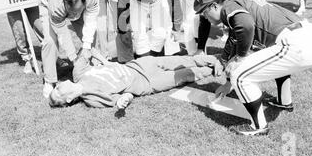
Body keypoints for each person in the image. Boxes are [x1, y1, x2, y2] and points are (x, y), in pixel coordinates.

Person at [193, 0, 312, 136]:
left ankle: (258, 126)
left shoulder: (229, 7)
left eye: (204, 11)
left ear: (215, 5)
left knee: (240, 76)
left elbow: (246, 26)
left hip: (298, 44)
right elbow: (235, 37)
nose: (204, 17)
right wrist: (224, 64)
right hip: (311, 36)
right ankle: (284, 101)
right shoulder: (236, 5)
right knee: (273, 60)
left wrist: (239, 58)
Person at [48, 50, 222, 108]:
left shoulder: (78, 73)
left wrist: (104, 61)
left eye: (55, 87)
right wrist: (124, 100)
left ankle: (215, 59)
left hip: (137, 65)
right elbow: (121, 98)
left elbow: (87, 50)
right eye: (57, 91)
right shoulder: (92, 99)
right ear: (69, 99)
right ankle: (214, 68)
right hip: (147, 83)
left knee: (180, 60)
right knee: (185, 75)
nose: (58, 86)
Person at [39, 0, 99, 98]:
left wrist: (86, 46)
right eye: (70, 11)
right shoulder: (56, 6)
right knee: (50, 41)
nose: (73, 16)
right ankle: (49, 81)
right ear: (64, 3)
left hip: (77, 4)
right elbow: (63, 34)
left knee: (90, 37)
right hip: (47, 4)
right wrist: (73, 57)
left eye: (77, 11)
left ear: (84, 2)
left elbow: (90, 23)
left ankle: (93, 69)